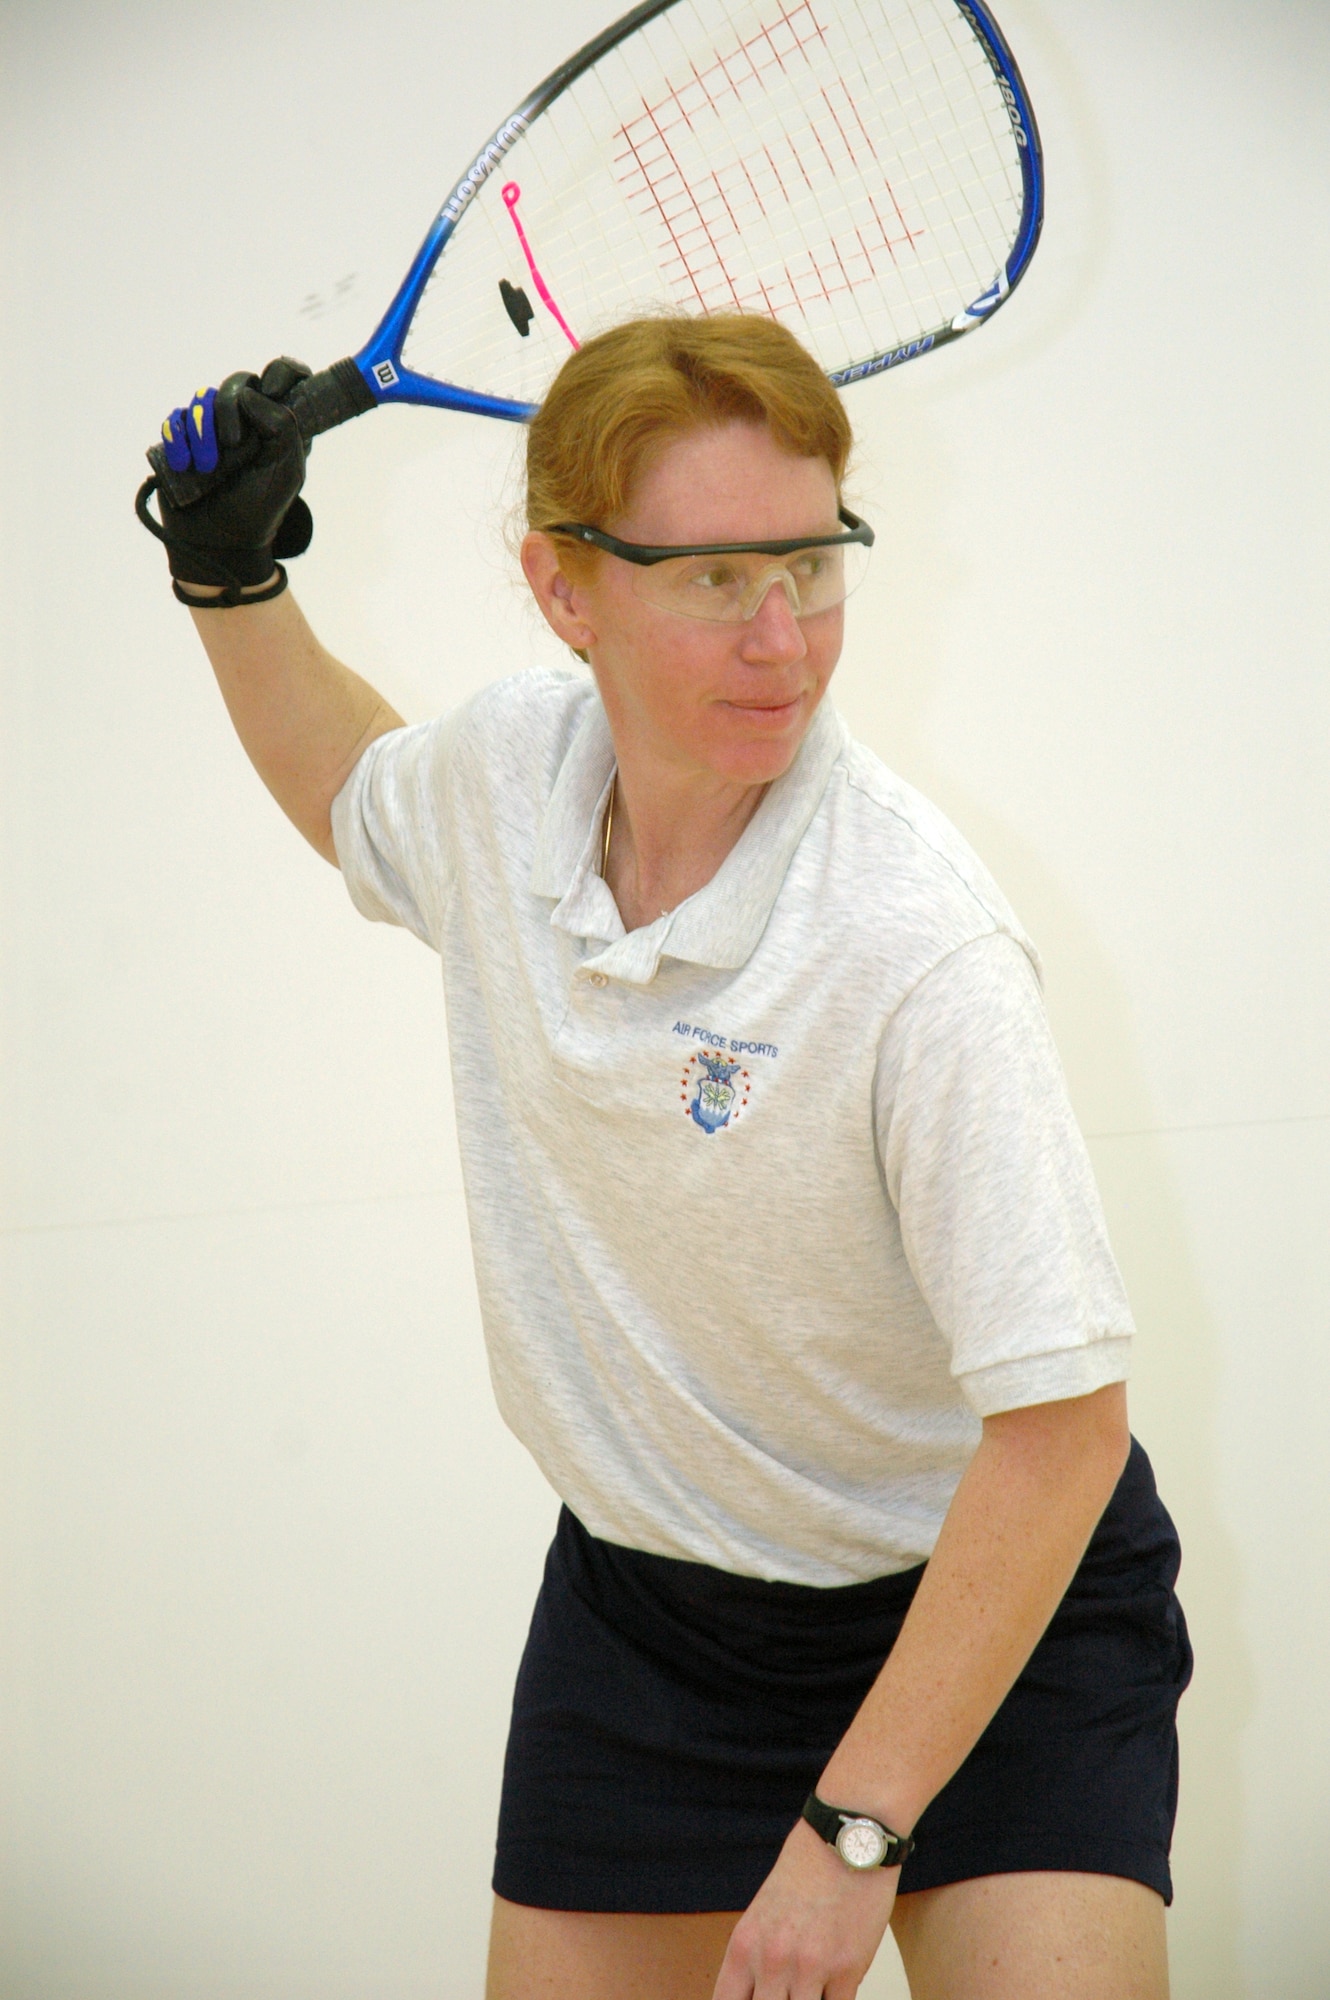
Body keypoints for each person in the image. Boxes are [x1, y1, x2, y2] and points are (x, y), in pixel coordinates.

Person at [140, 314, 1191, 2000]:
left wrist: (853, 1833)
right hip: (655, 1618)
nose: (782, 639)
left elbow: (1060, 1437)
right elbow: (353, 791)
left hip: (989, 1610)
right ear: (565, 587)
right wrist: (229, 580)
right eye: (712, 579)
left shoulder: (916, 947)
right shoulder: (502, 783)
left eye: (811, 565)